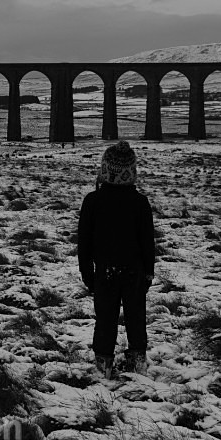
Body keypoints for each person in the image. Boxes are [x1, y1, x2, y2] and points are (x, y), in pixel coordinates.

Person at [77, 140, 156, 378]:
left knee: (105, 320)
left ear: (105, 170)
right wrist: (149, 273)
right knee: (136, 318)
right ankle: (138, 360)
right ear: (132, 172)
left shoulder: (93, 201)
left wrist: (86, 272)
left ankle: (104, 365)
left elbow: (84, 242)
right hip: (135, 271)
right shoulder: (140, 203)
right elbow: (147, 242)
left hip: (104, 271)